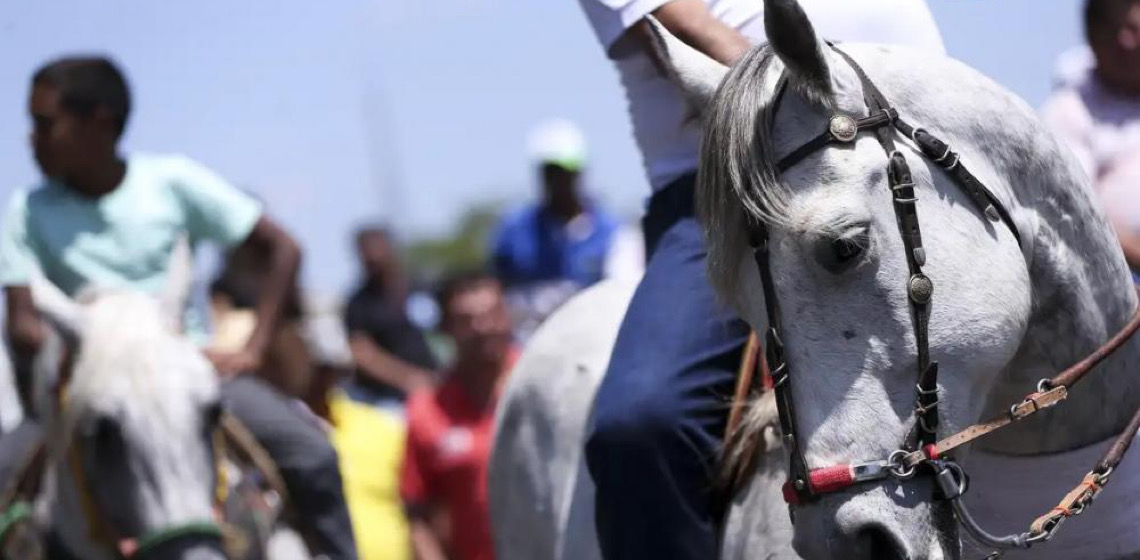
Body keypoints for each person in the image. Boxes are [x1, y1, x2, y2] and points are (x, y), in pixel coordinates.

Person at [574, 0, 946, 558]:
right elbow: (689, 32)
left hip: (923, 155)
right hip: (729, 189)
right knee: (643, 425)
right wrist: (839, 102)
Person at [0, 56, 358, 560]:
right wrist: (98, 348)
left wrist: (253, 349)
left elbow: (284, 249)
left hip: (188, 373)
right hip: (76, 388)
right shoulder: (27, 210)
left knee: (312, 454)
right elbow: (23, 325)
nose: (31, 139)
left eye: (44, 123)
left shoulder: (170, 183)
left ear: (99, 121)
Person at [399, 271, 515, 560]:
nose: (483, 328)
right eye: (467, 320)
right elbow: (417, 517)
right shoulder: (427, 411)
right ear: (445, 328)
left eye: (493, 314)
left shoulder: (546, 388)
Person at [491, 119, 620, 338]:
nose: (558, 181)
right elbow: (497, 291)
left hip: (591, 346)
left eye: (565, 172)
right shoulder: (513, 231)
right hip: (528, 349)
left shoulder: (611, 234)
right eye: (550, 172)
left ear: (580, 172)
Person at [304, 310, 413, 560]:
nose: (322, 379)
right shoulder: (282, 433)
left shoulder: (383, 426)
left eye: (330, 368)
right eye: (316, 369)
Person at [1042, 0, 1140, 274]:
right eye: (1110, 28)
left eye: (1133, 28)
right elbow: (1073, 211)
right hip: (1113, 282)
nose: (1125, 42)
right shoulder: (1069, 110)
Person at [343, 227, 438, 409]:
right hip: (388, 400)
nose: (374, 258)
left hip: (439, 390)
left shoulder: (421, 287)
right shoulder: (359, 303)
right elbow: (362, 353)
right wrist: (410, 379)